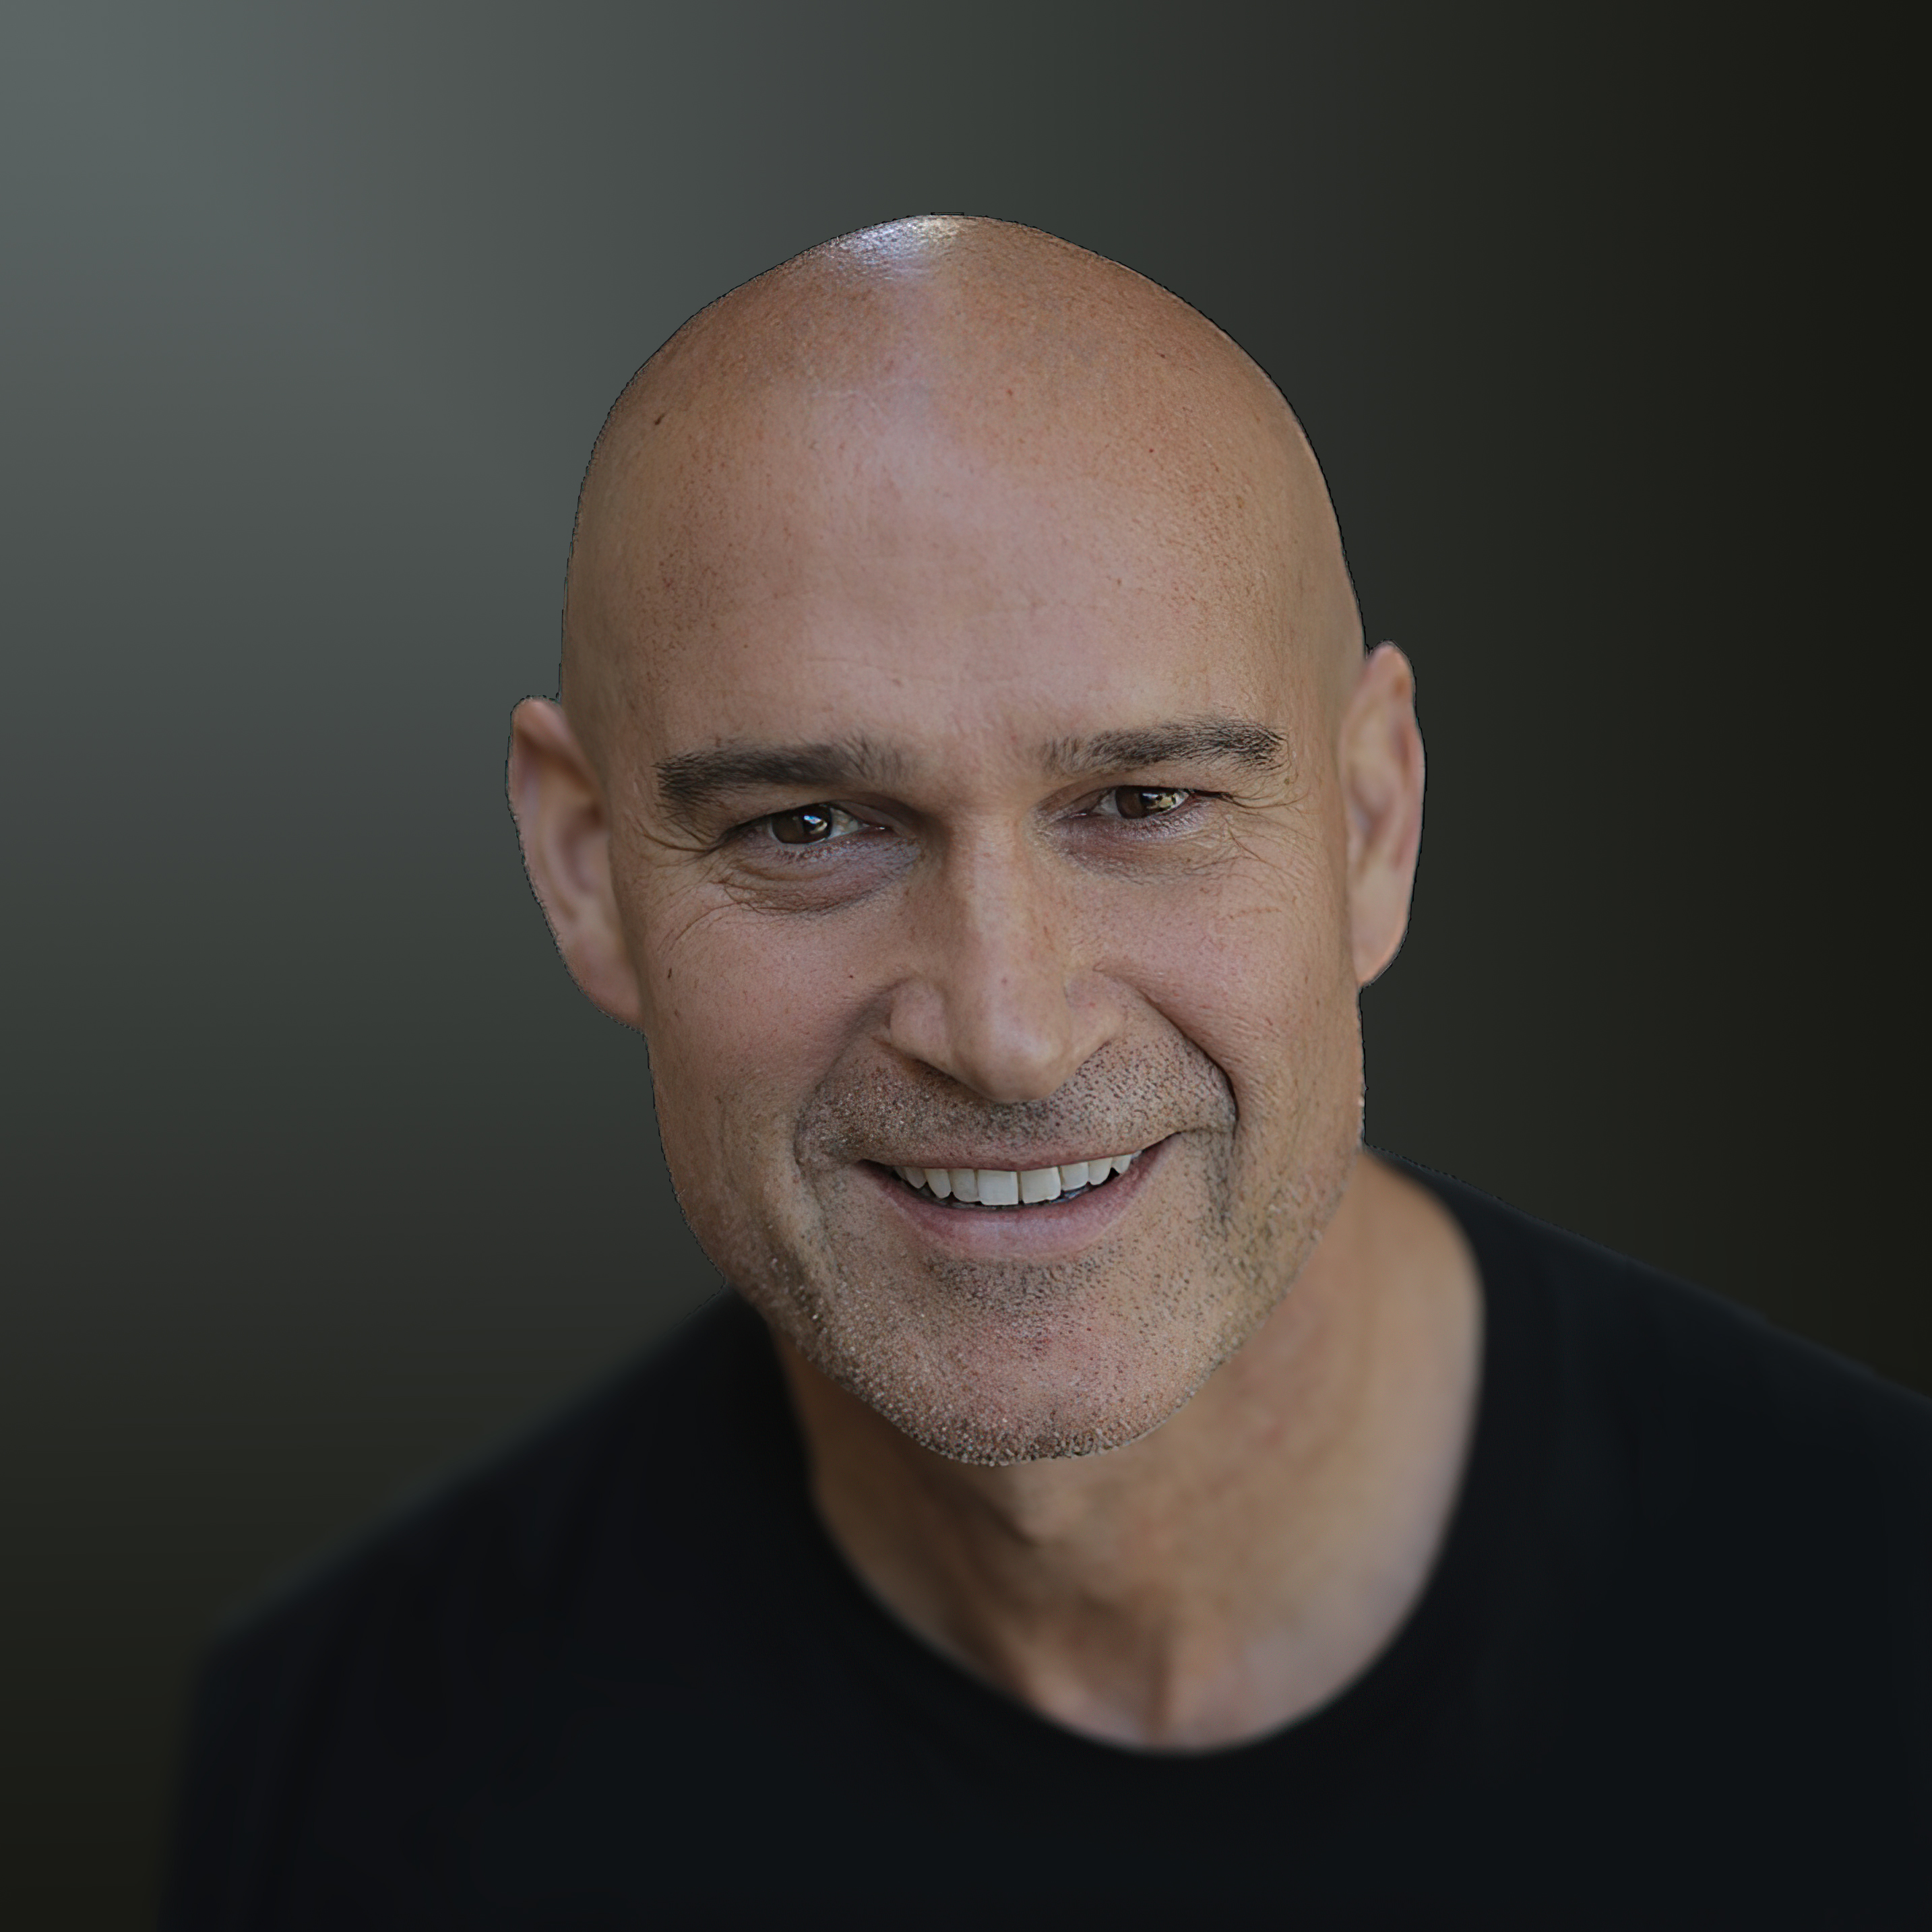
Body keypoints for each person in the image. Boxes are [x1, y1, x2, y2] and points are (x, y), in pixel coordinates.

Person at [163, 217, 1930, 1929]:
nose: (1007, 1030)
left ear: (1373, 823)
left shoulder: (1883, 1634)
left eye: (1144, 803)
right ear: (582, 867)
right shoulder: (345, 1782)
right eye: (810, 824)